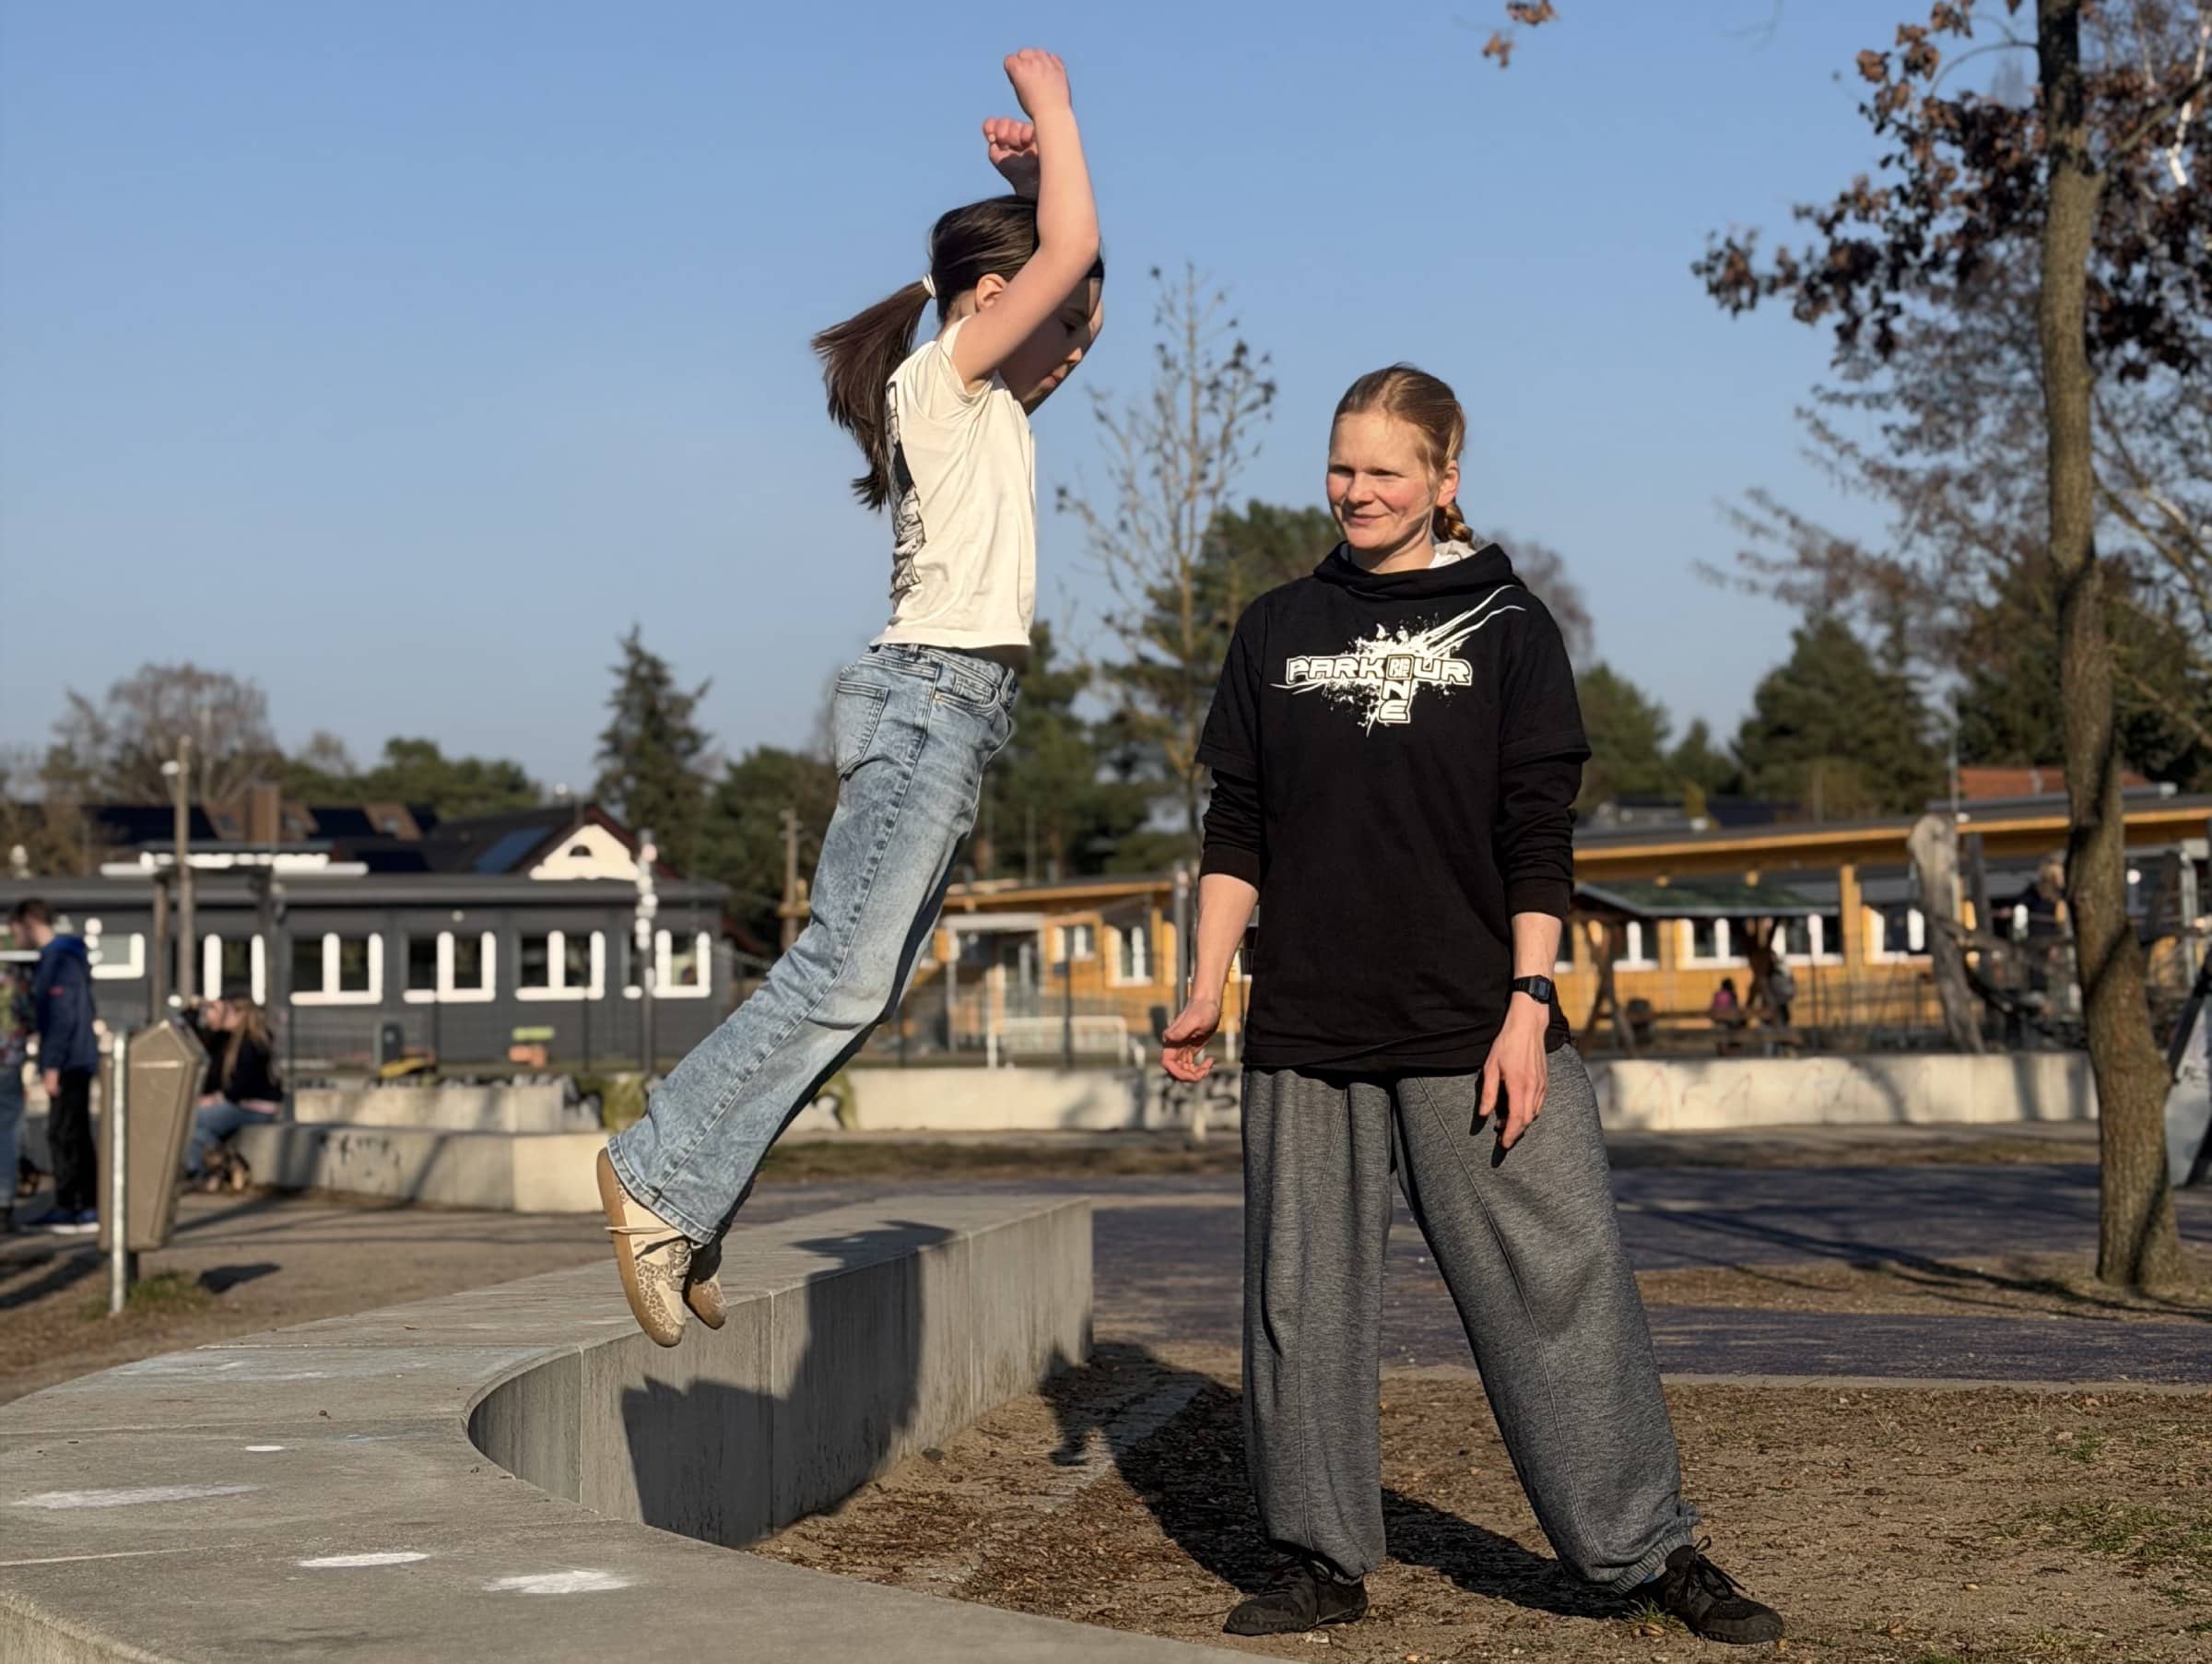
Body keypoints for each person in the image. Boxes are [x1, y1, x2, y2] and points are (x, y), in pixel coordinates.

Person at [1162, 366, 1783, 1646]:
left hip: (1476, 1021)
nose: (1357, 492)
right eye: (1342, 467)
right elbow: (1240, 828)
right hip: (1310, 1026)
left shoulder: (1509, 625)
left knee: (1559, 1281)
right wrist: (1205, 982)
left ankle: (1647, 1550)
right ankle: (1317, 1558)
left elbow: (1535, 837)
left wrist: (1528, 1002)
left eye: (1386, 470)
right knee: (1301, 1303)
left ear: (1447, 476)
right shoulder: (1276, 628)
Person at [596, 47, 1104, 1347]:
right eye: (1059, 327)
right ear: (991, 300)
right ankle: (653, 1171)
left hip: (956, 712)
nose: (1070, 357)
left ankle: (693, 1195)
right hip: (928, 702)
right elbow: (1072, 255)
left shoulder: (984, 406)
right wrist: (1056, 118)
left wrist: (1041, 185)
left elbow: (1073, 266)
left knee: (861, 987)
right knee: (836, 968)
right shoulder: (941, 380)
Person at [9, 899, 100, 1234]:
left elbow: (62, 1017)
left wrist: (52, 1065)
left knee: (65, 1133)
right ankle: (80, 1203)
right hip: (74, 1058)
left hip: (69, 1061)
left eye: (15, 929)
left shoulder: (59, 961)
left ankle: (77, 1205)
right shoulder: (64, 958)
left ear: (30, 923)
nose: (13, 936)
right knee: (69, 1131)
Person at [182, 993, 284, 1191]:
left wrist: (216, 1099)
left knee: (192, 1120)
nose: (209, 1014)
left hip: (255, 1107)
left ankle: (210, 1168)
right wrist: (192, 1011)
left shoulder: (253, 1041)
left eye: (214, 1009)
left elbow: (241, 1086)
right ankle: (221, 1166)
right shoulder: (224, 1040)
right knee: (200, 1129)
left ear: (232, 1010)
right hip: (240, 1104)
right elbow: (195, 1037)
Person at [0, 959, 27, 1234]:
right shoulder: (12, 976)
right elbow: (29, 1016)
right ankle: (3, 1205)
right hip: (7, 1061)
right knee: (6, 1134)